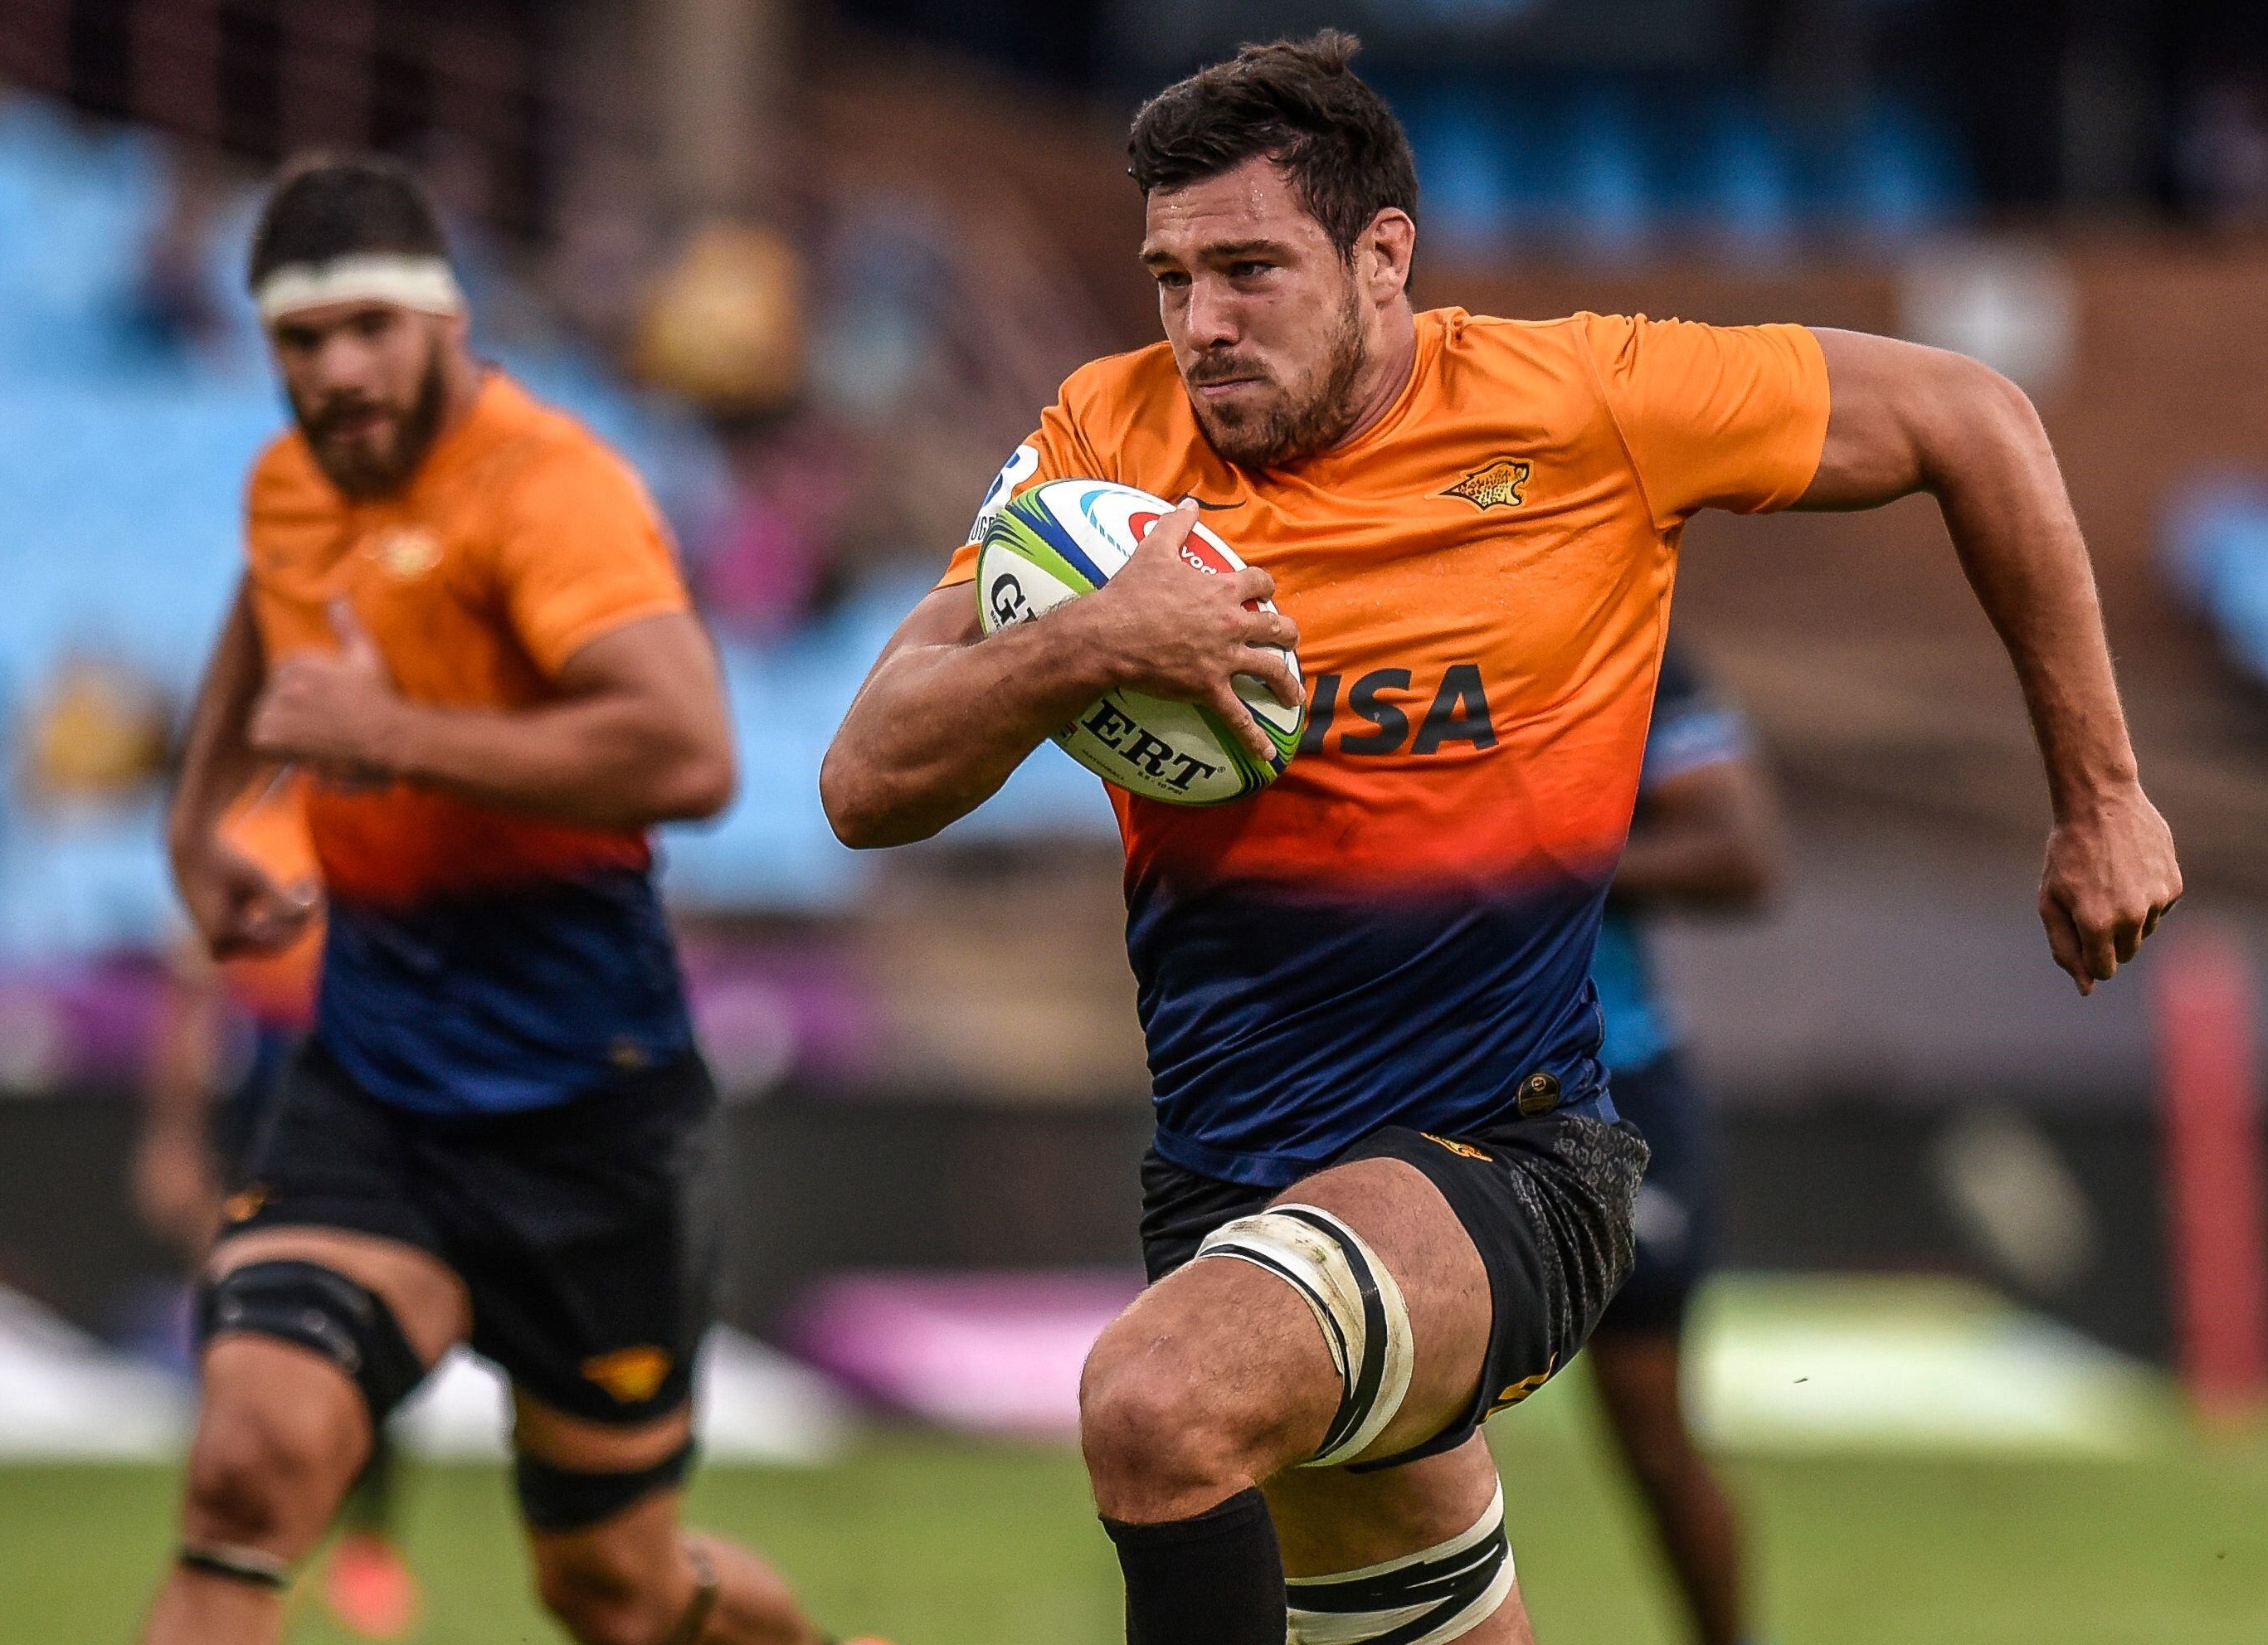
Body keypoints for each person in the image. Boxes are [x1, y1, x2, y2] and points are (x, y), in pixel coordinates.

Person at [819, 32, 2181, 1645]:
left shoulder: (1586, 400)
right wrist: (1088, 642)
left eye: (1249, 268)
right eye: (1170, 276)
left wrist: (2097, 791)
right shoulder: (1101, 446)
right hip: (1230, 1180)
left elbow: (1969, 413)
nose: (1200, 325)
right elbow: (864, 777)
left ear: (1382, 254)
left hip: (1504, 1157)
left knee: (1153, 1400)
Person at [147, 153, 874, 1645]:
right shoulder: (292, 482)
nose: (336, 369)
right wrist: (197, 816)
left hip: (585, 1113)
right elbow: (267, 605)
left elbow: (690, 750)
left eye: (368, 326)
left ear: (447, 319)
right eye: (301, 338)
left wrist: (391, 735)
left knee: (610, 1585)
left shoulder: (551, 489)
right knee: (242, 1472)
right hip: (374, 1084)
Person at [134, 772, 423, 1640]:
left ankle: (367, 1545)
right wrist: (175, 1139)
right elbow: (195, 992)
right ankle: (244, 1550)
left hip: (367, 1072)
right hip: (267, 1081)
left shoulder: (400, 821)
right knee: (243, 1333)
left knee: (369, 1326)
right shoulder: (245, 829)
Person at [1581, 645, 1779, 1645]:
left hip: (1614, 1087)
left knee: (1652, 1437)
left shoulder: (1641, 648)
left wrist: (1524, 860)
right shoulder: (1377, 595)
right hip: (1409, 1080)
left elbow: (1741, 852)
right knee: (1379, 1438)